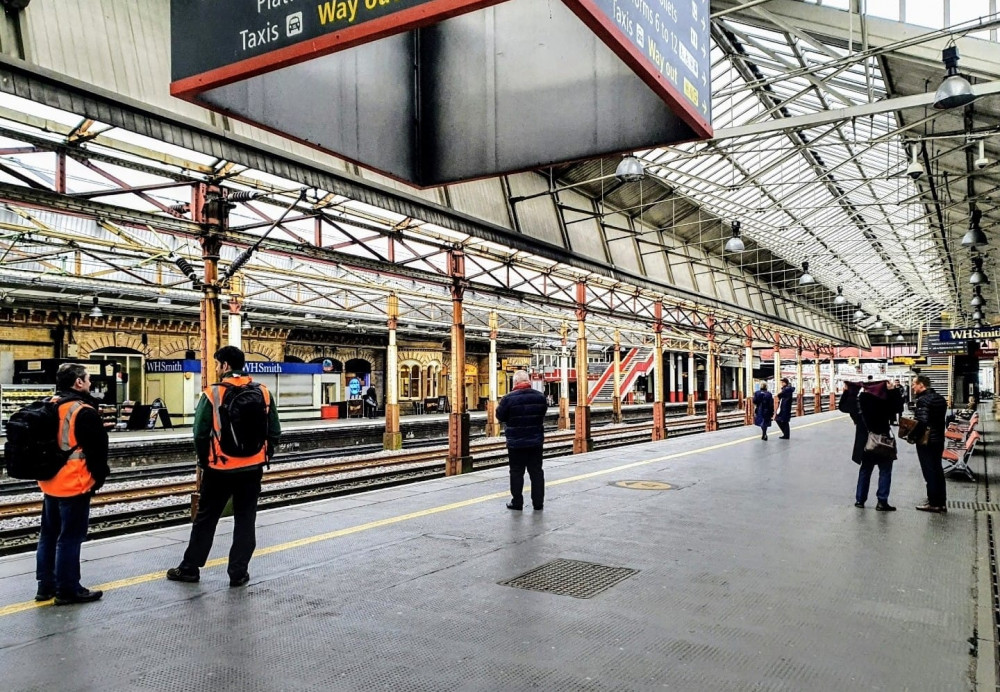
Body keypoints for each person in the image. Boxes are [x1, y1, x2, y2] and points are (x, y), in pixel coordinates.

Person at [167, 346, 281, 587]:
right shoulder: (264, 392)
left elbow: (199, 433)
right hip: (252, 469)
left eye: (217, 364)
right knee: (245, 519)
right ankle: (238, 573)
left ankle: (190, 568)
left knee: (206, 519)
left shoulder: (212, 394)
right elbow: (275, 432)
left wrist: (204, 462)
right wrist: (263, 456)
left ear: (226, 366)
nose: (217, 368)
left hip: (219, 469)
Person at [35, 363, 110, 605]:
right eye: (88, 379)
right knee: (70, 537)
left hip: (49, 482)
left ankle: (45, 586)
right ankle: (68, 589)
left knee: (48, 534)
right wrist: (98, 479)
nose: (90, 383)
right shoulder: (82, 411)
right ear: (78, 382)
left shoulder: (49, 404)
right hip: (74, 483)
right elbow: (98, 452)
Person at [496, 370, 548, 511]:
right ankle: (538, 503)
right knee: (536, 472)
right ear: (528, 381)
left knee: (516, 472)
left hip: (516, 442)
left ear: (515, 382)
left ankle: (517, 502)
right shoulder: (540, 397)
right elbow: (542, 414)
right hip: (535, 441)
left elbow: (500, 416)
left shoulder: (508, 398)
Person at [843, 380, 897, 511]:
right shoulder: (884, 401)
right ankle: (882, 502)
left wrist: (847, 391)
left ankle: (860, 500)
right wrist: (893, 391)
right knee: (885, 471)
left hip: (866, 443)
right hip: (883, 442)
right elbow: (897, 408)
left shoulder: (858, 403)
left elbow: (843, 407)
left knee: (865, 470)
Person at [908, 375, 948, 513]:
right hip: (939, 440)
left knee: (929, 472)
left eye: (914, 384)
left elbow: (922, 422)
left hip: (927, 441)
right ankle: (941, 501)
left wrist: (911, 436)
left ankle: (934, 503)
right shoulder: (940, 399)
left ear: (921, 385)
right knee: (938, 470)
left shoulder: (923, 400)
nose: (912, 387)